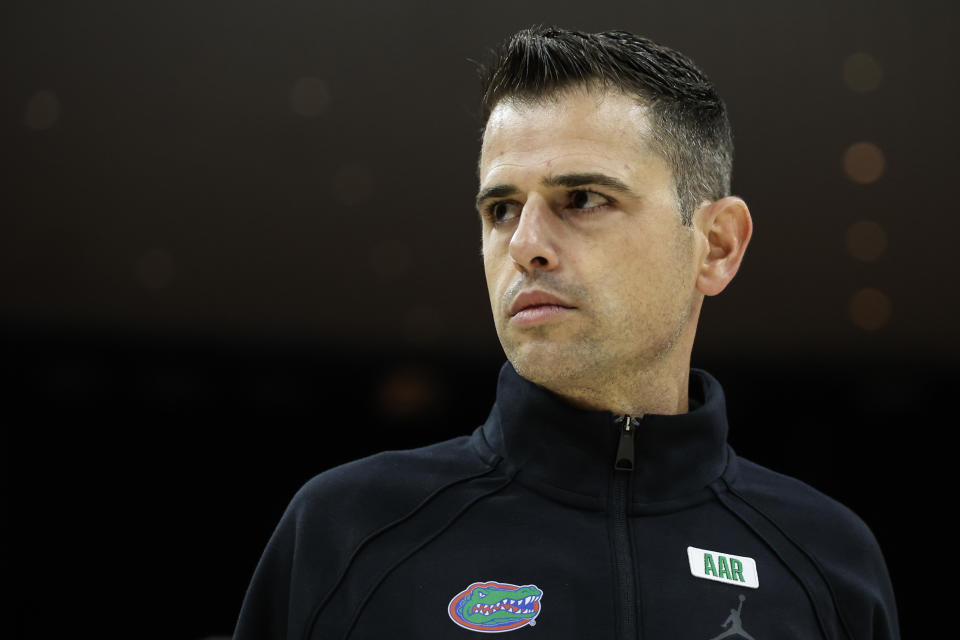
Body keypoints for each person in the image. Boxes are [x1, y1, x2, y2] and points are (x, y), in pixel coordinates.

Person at [234, 26, 899, 639]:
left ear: (717, 246)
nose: (525, 246)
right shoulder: (348, 533)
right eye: (500, 209)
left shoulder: (829, 563)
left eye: (582, 199)